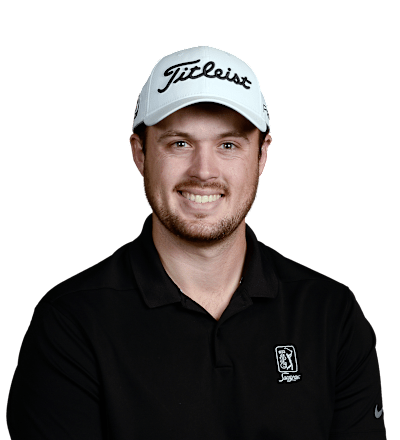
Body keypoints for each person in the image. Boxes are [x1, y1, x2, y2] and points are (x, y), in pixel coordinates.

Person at [6, 45, 387, 439]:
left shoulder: (330, 314)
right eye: (179, 144)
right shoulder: (71, 322)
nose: (204, 171)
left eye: (228, 145)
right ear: (140, 154)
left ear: (262, 156)